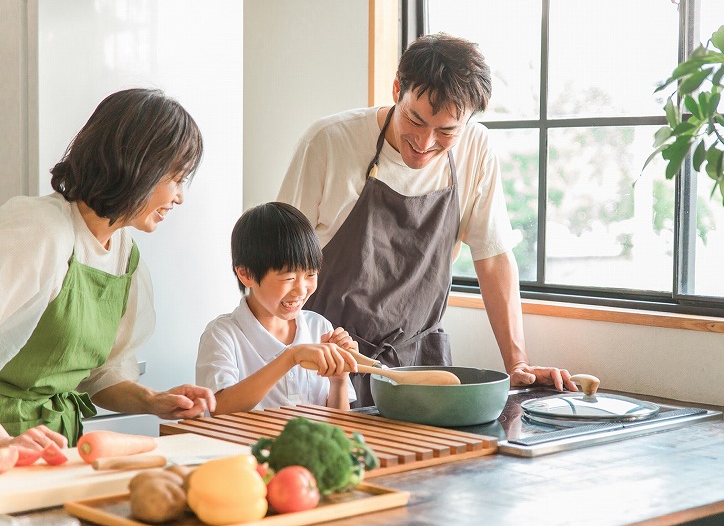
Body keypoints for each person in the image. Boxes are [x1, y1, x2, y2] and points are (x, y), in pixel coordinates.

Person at [278, 33, 577, 406]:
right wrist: (273, 363)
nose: (424, 142)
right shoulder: (329, 143)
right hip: (326, 363)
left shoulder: (477, 150)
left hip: (419, 370)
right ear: (396, 89)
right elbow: (277, 264)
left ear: (467, 123)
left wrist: (518, 363)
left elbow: (493, 256)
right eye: (414, 120)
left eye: (446, 131)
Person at [0, 88, 216, 449]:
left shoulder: (123, 255)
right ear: (138, 167)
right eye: (176, 179)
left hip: (54, 444)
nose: (180, 197)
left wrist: (152, 401)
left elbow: (98, 374)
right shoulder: (40, 231)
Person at [195, 202, 358, 414]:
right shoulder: (222, 335)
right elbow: (220, 408)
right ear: (246, 274)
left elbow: (338, 426)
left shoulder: (318, 327)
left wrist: (339, 380)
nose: (300, 290)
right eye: (288, 277)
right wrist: (290, 357)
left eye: (310, 274)